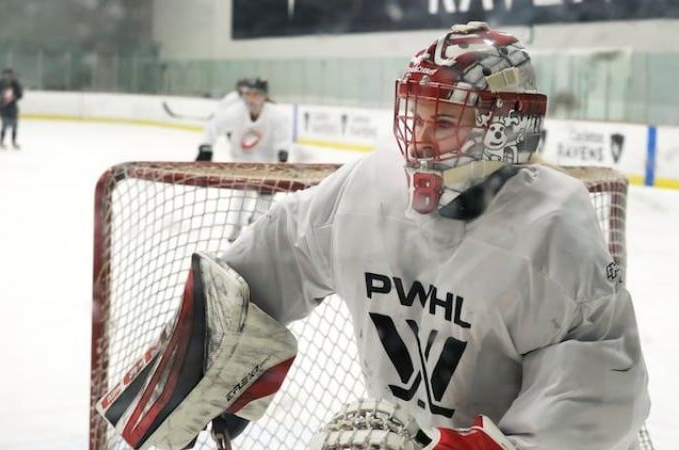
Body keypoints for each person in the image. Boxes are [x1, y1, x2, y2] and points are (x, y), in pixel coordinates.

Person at [98, 22, 649, 450]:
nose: (421, 141)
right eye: (416, 114)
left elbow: (593, 406)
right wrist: (197, 357)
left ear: (502, 128)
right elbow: (270, 262)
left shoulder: (554, 230)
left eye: (445, 120)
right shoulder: (368, 189)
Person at [203, 78, 292, 241]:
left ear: (264, 96)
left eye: (256, 94)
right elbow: (214, 125)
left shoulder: (275, 114)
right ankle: (236, 229)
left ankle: (256, 230)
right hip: (243, 164)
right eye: (248, 94)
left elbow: (284, 134)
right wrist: (206, 146)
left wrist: (283, 151)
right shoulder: (236, 112)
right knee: (242, 196)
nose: (251, 99)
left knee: (265, 199)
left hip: (268, 166)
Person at [196, 78, 249, 161]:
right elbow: (220, 110)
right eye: (242, 87)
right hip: (221, 124)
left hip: (235, 127)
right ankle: (202, 160)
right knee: (206, 147)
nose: (244, 89)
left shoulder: (247, 98)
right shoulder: (232, 97)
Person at [0, 68, 23, 150]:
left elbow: (20, 95)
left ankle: (14, 142)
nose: (8, 76)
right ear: (3, 75)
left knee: (14, 125)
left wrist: (14, 97)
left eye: (10, 74)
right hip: (3, 107)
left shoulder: (16, 83)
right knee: (4, 124)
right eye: (6, 74)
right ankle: (1, 142)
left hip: (12, 107)